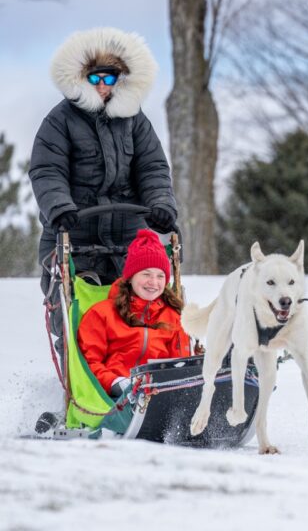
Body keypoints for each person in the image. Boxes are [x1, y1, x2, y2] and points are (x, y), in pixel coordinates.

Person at [29, 27, 178, 367]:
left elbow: (153, 169)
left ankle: (143, 375)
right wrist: (60, 208)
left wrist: (162, 205)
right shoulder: (60, 120)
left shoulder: (135, 122)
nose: (101, 85)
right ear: (81, 76)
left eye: (109, 78)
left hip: (128, 237)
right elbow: (46, 171)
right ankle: (85, 386)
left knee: (141, 307)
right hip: (73, 233)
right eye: (94, 77)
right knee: (85, 315)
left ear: (120, 80)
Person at [77, 229, 191, 397]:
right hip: (114, 395)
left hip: (160, 393)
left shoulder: (172, 317)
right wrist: (115, 382)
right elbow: (89, 363)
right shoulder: (101, 314)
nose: (153, 282)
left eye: (160, 276)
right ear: (130, 277)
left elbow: (179, 365)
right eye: (146, 274)